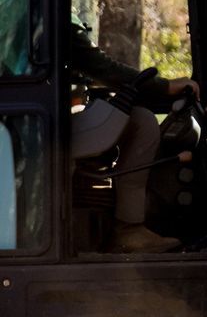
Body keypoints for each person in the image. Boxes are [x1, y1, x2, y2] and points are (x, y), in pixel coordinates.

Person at [66, 22, 196, 254]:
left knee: (141, 121)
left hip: (57, 114)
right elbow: (101, 68)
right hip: (46, 122)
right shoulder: (41, 12)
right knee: (140, 123)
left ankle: (128, 227)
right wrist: (165, 87)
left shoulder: (33, 5)